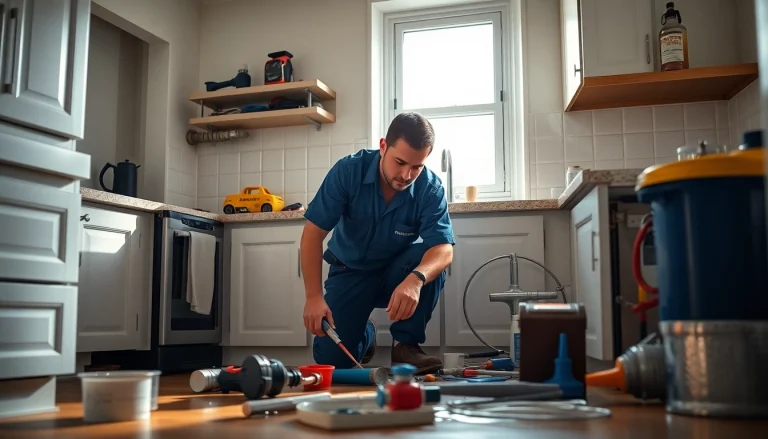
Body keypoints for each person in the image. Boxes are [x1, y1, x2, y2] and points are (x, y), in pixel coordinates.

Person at [300, 112, 455, 373]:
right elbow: (312, 235)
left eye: (416, 167)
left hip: (396, 273)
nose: (406, 175)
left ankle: (405, 347)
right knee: (333, 363)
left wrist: (415, 279)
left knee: (428, 260)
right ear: (383, 146)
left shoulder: (430, 188)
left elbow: (444, 249)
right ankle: (366, 334)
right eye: (400, 162)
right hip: (349, 272)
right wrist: (313, 297)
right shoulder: (348, 171)